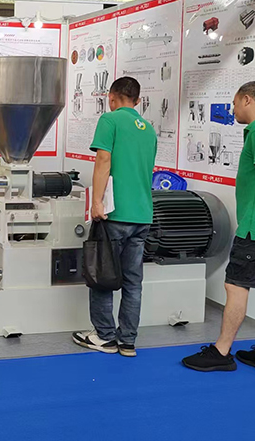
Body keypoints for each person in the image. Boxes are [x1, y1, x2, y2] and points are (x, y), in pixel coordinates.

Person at [183, 81, 255, 377]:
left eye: (233, 103)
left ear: (247, 100)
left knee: (235, 286)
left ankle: (221, 352)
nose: (232, 110)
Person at [72, 76, 157, 358]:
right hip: (142, 215)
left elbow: (103, 160)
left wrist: (96, 202)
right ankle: (128, 341)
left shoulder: (109, 120)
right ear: (138, 100)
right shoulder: (149, 129)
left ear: (111, 98)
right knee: (133, 282)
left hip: (114, 213)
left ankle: (105, 336)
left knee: (102, 275)